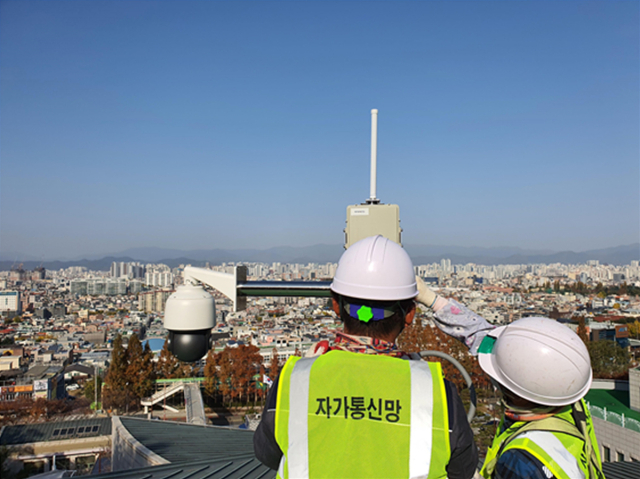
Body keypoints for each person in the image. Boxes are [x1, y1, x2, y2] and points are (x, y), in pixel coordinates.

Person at [254, 235, 478, 479]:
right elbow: (462, 469)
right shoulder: (438, 392)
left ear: (336, 305)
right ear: (410, 314)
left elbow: (267, 452)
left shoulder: (295, 379)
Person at [415, 279, 605, 479]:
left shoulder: (522, 461)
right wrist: (431, 299)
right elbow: (489, 340)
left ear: (515, 391)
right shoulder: (565, 399)